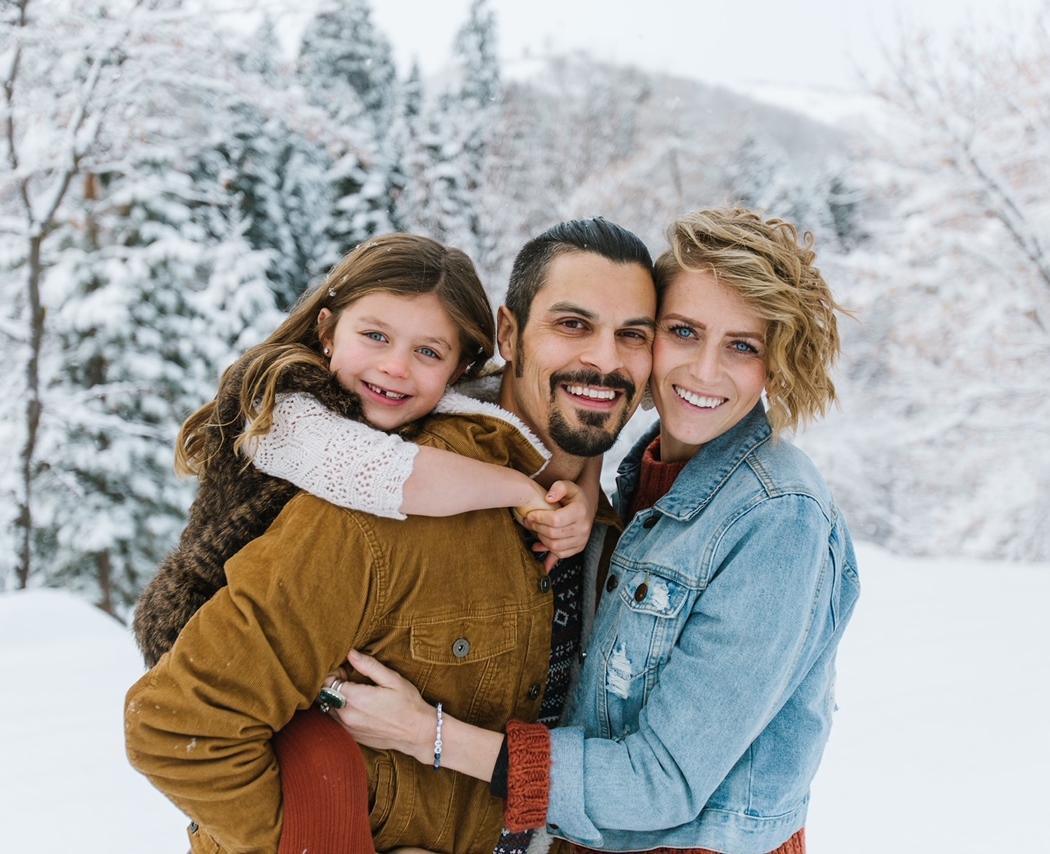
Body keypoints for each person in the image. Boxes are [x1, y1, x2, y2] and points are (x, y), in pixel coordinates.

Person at [330, 207, 861, 854]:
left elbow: (663, 782)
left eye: (743, 346)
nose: (703, 370)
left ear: (775, 366)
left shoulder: (777, 516)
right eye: (684, 331)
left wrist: (428, 735)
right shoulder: (642, 476)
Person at [124, 218, 659, 853]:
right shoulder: (376, 499)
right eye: (573, 325)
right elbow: (179, 729)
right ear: (509, 335)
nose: (603, 358)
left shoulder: (611, 532)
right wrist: (334, 841)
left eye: (633, 335)